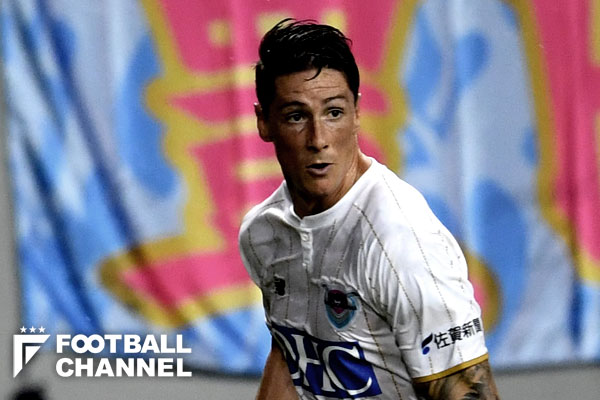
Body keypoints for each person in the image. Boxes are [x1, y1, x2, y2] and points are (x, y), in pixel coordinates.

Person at [239, 18, 500, 400]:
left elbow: (468, 392)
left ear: (357, 112)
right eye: (296, 116)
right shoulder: (264, 233)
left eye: (334, 112)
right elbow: (290, 352)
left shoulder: (402, 244)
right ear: (264, 122)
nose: (318, 139)